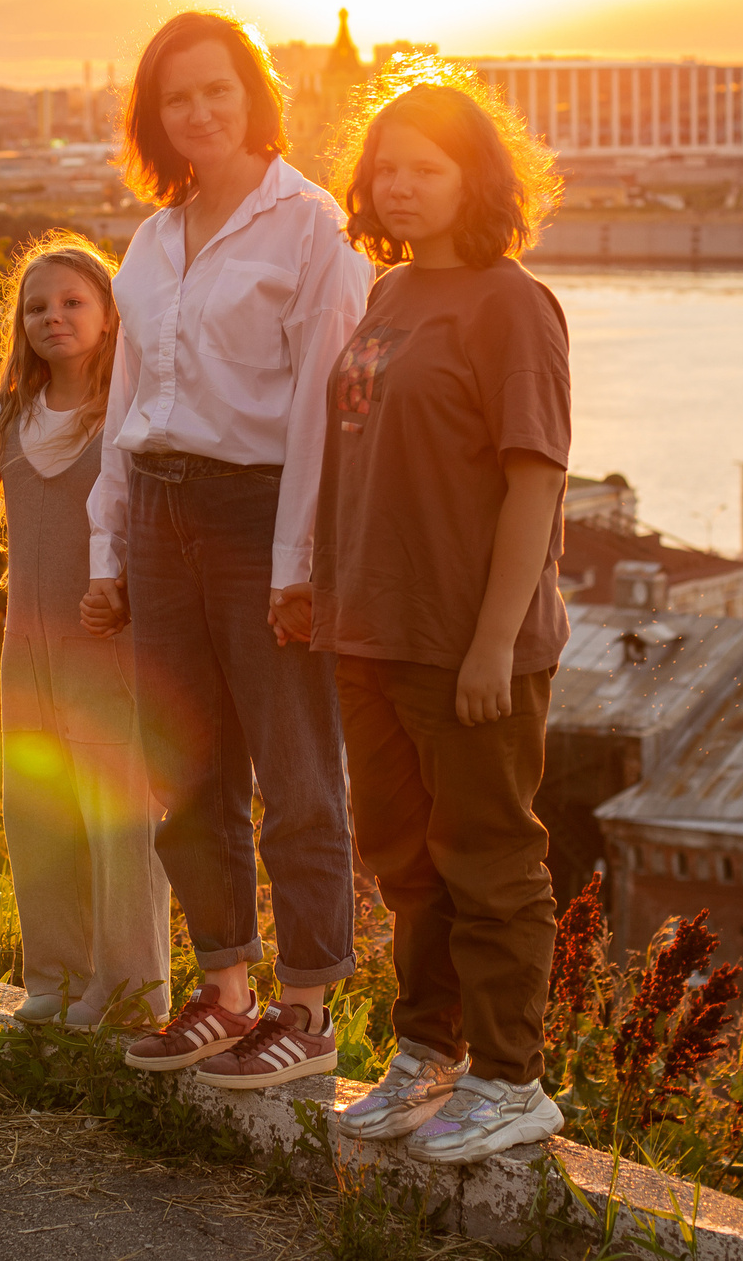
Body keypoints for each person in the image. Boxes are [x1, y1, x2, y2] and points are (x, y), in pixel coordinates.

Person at [83, 9, 371, 1089]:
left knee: (296, 772)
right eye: (175, 98)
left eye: (217, 90)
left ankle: (306, 1009)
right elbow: (126, 406)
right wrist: (109, 550)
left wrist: (298, 568)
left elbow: (317, 418)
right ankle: (223, 991)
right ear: (152, 117)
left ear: (255, 94)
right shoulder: (153, 241)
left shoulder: (312, 229)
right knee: (187, 771)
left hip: (260, 521)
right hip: (159, 517)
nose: (198, 113)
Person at [312, 66, 573, 1162]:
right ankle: (428, 1055)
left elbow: (534, 480)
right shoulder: (389, 296)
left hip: (468, 644)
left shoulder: (511, 303)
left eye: (427, 168)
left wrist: (494, 644)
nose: (401, 186)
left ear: (476, 178)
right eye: (387, 167)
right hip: (369, 633)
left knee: (489, 861)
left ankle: (515, 1080)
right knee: (405, 862)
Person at [0, 235, 170, 1031]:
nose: (53, 317)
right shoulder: (7, 414)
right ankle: (55, 980)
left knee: (118, 820)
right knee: (36, 812)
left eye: (72, 302)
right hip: (25, 654)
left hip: (109, 650)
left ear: (108, 314)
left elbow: (160, 528)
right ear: (19, 324)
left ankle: (131, 991)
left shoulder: (129, 410)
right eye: (37, 307)